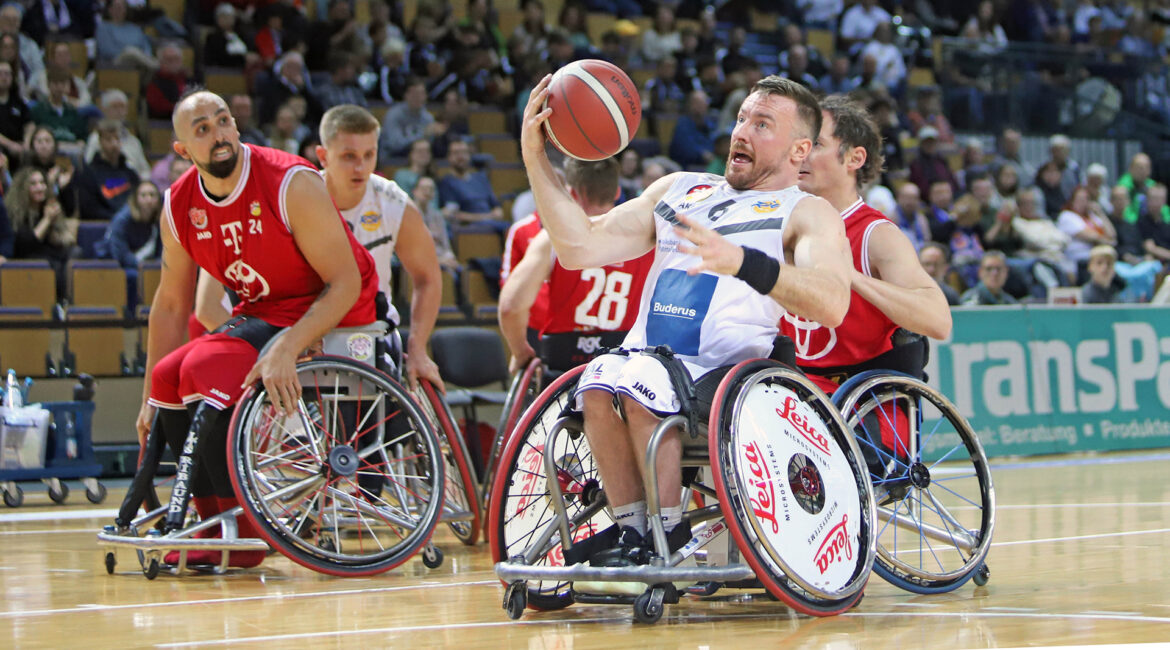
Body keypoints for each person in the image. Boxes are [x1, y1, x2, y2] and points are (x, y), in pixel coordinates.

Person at [518, 74, 852, 567]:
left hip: (725, 375)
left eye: (762, 124)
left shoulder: (806, 212)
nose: (742, 132)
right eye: (742, 118)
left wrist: (743, 262)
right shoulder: (681, 189)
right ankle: (633, 531)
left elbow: (832, 302)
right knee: (598, 378)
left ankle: (668, 531)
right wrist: (535, 157)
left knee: (640, 381)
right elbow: (578, 247)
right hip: (647, 361)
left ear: (800, 150)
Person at [138, 90, 380, 568]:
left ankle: (246, 532)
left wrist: (287, 347)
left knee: (205, 366)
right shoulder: (179, 204)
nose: (219, 135)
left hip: (338, 303)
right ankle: (212, 526)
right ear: (182, 150)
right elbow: (170, 305)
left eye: (223, 121)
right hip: (265, 308)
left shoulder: (289, 182)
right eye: (203, 129)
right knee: (167, 377)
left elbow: (345, 281)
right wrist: (149, 399)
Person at [781, 94, 951, 396]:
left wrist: (853, 278)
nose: (801, 154)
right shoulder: (777, 220)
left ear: (854, 158)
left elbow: (938, 321)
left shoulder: (877, 235)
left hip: (861, 395)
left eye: (816, 144)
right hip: (792, 386)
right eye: (799, 143)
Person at [316, 104, 443, 389]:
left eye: (369, 155)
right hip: (310, 332)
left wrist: (418, 348)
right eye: (349, 156)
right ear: (323, 156)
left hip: (372, 331)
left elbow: (428, 278)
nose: (360, 167)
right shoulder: (300, 198)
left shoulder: (393, 202)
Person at [499, 157, 654, 374]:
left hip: (564, 363)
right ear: (617, 192)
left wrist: (520, 352)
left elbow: (510, 307)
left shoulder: (553, 239)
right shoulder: (647, 237)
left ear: (571, 193)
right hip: (622, 364)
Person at [96, 179, 161, 311]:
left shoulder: (161, 220)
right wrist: (144, 267)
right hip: (115, 263)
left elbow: (163, 250)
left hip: (145, 265)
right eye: (143, 195)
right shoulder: (122, 219)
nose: (148, 200)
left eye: (152, 195)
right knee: (133, 277)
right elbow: (120, 254)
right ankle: (131, 316)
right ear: (136, 199)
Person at [75, 119, 139, 221]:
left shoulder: (130, 174)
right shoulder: (89, 173)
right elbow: (89, 210)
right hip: (101, 225)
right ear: (100, 142)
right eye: (109, 139)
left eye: (117, 139)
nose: (114, 144)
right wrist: (118, 219)